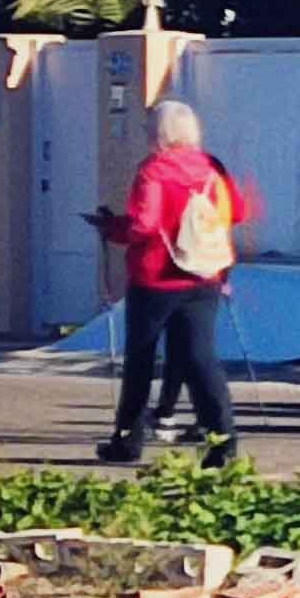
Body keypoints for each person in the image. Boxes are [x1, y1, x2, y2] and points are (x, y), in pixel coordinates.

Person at [91, 98, 243, 467]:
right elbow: (235, 212)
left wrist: (113, 228)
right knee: (201, 358)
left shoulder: (154, 170)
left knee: (141, 360)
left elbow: (144, 225)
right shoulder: (210, 167)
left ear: (159, 132)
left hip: (156, 277)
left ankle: (128, 441)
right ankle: (222, 442)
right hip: (202, 275)